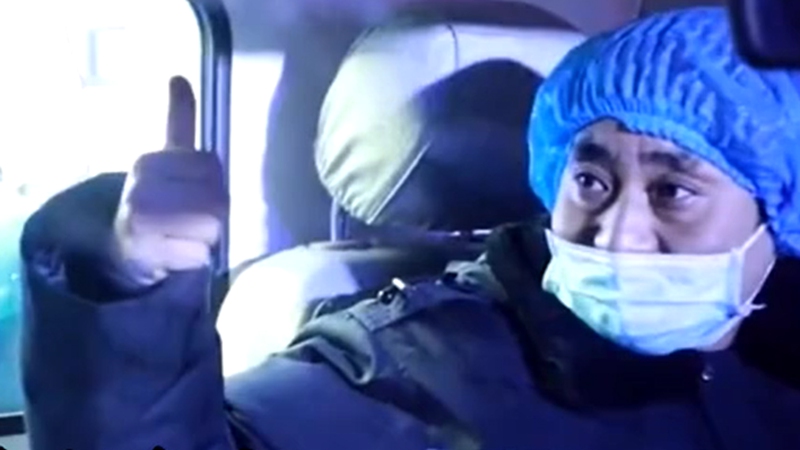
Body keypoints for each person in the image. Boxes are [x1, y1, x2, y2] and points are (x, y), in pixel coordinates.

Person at [19, 6, 800, 450]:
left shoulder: (780, 361)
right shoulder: (416, 365)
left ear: (776, 211)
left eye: (673, 191)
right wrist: (126, 283)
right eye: (590, 180)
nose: (616, 233)